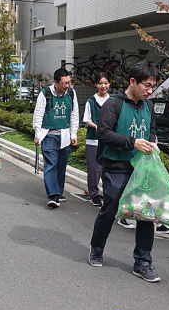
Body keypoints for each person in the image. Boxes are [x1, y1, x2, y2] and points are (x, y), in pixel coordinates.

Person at [88, 61, 162, 282]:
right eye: (147, 85)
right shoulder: (113, 104)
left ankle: (143, 262)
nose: (150, 91)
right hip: (116, 167)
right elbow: (103, 133)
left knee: (146, 214)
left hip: (142, 168)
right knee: (109, 210)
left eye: (153, 86)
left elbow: (152, 131)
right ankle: (97, 247)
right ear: (132, 81)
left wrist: (152, 144)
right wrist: (132, 142)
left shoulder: (148, 106)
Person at [32, 68, 79, 209]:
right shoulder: (45, 93)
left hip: (64, 135)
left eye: (69, 82)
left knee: (61, 166)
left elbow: (74, 114)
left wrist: (74, 134)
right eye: (64, 83)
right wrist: (37, 134)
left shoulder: (71, 93)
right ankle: (53, 195)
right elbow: (38, 114)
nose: (67, 86)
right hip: (49, 135)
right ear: (56, 82)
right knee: (51, 164)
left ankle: (58, 191)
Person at [82, 72, 111, 207]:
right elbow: (87, 119)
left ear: (109, 84)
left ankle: (108, 194)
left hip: (110, 140)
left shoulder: (113, 101)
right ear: (96, 85)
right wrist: (96, 126)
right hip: (93, 140)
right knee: (94, 169)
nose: (103, 86)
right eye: (100, 83)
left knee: (108, 168)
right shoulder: (91, 101)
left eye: (106, 83)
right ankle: (94, 194)